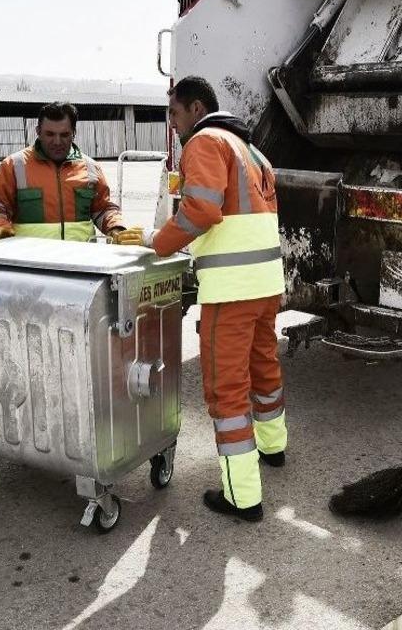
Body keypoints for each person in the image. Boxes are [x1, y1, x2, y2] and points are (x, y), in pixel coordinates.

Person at [117, 76, 287, 522]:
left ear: (195, 108)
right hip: (266, 284)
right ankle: (273, 446)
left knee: (226, 389)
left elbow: (203, 210)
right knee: (264, 366)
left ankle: (242, 496)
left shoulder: (203, 142)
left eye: (173, 113)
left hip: (231, 291)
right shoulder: (252, 150)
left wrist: (156, 241)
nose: (172, 124)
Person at [0, 102, 128, 242]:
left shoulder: (90, 167)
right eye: (50, 134)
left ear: (73, 133)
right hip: (31, 262)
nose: (57, 142)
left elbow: (102, 209)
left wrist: (116, 228)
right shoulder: (14, 165)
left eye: (64, 135)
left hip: (81, 259)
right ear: (38, 132)